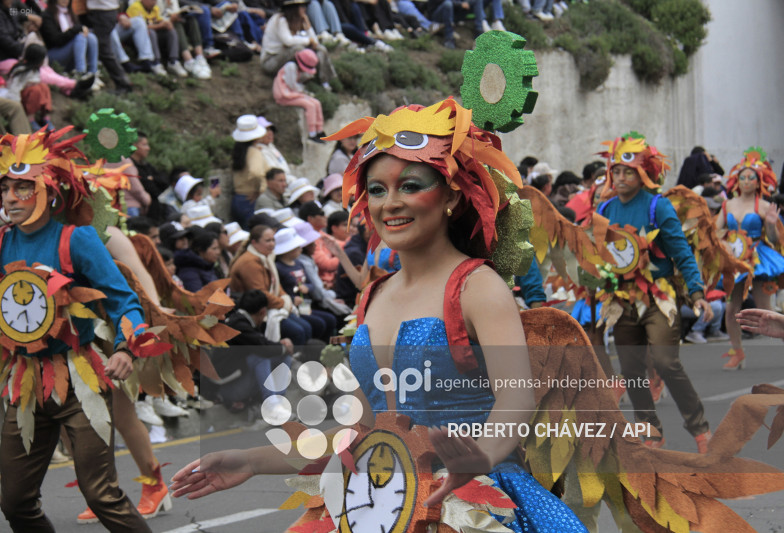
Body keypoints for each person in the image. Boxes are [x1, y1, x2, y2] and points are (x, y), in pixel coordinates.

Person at [170, 98, 588, 532]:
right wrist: (251, 460)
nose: (390, 203)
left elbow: (516, 398)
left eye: (410, 185)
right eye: (377, 189)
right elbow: (363, 432)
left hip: (471, 504)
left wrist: (477, 458)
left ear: (450, 195)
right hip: (383, 501)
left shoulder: (477, 287)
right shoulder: (373, 295)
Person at [0, 129, 151, 531]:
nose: (11, 198)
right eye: (6, 188)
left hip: (79, 378)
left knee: (101, 494)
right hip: (24, 382)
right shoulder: (0, 243)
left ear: (49, 193)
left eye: (23, 188)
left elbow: (125, 302)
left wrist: (125, 348)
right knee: (14, 502)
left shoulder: (77, 239)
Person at [595, 131, 713, 452]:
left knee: (664, 361)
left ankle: (700, 429)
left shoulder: (657, 206)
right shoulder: (605, 210)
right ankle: (651, 430)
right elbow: (598, 256)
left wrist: (698, 292)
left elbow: (681, 252)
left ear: (643, 172)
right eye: (616, 171)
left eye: (627, 171)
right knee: (632, 370)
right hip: (622, 299)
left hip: (658, 297)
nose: (620, 177)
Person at [716, 148, 784, 369]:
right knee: (732, 308)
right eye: (742, 177)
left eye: (751, 177)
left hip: (758, 259)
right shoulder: (728, 205)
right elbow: (714, 232)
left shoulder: (763, 206)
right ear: (736, 179)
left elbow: (772, 238)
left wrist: (771, 223)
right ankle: (737, 351)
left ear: (758, 180)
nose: (746, 181)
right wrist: (723, 243)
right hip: (735, 261)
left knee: (765, 308)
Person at [228, 224, 312, 345]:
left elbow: (276, 286)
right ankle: (293, 362)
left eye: (273, 240)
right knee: (298, 331)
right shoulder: (249, 262)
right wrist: (284, 303)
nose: (272, 244)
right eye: (268, 240)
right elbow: (260, 294)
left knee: (309, 326)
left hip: (272, 305)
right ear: (254, 242)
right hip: (257, 311)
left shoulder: (265, 257)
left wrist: (285, 299)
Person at [260, 0, 336, 90]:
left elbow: (315, 43)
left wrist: (308, 26)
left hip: (285, 56)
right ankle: (303, 79)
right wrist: (308, 41)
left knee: (320, 49)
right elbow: (288, 41)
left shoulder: (297, 21)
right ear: (294, 8)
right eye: (302, 6)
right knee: (299, 49)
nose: (305, 9)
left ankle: (325, 82)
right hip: (270, 60)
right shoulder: (280, 20)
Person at [40, 0, 101, 91]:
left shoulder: (71, 13)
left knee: (91, 37)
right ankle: (81, 74)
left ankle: (92, 73)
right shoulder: (47, 15)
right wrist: (76, 30)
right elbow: (56, 40)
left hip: (69, 53)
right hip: (54, 54)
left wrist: (77, 30)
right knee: (80, 37)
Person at [273, 48, 325, 143]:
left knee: (317, 103)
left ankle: (319, 130)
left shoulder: (296, 69)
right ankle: (312, 133)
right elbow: (292, 85)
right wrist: (303, 91)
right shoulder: (290, 66)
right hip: (284, 95)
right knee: (310, 105)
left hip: (293, 93)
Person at [126, 0, 188, 76]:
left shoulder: (155, 8)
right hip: (136, 38)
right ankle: (155, 63)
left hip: (152, 35)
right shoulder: (135, 7)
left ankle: (173, 61)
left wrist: (166, 23)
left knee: (171, 31)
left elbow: (158, 20)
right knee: (151, 32)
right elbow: (141, 28)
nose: (153, 2)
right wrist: (160, 26)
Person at [230, 114, 268, 227]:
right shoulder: (254, 152)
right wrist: (259, 190)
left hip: (237, 198)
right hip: (249, 198)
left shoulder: (239, 151)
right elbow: (256, 172)